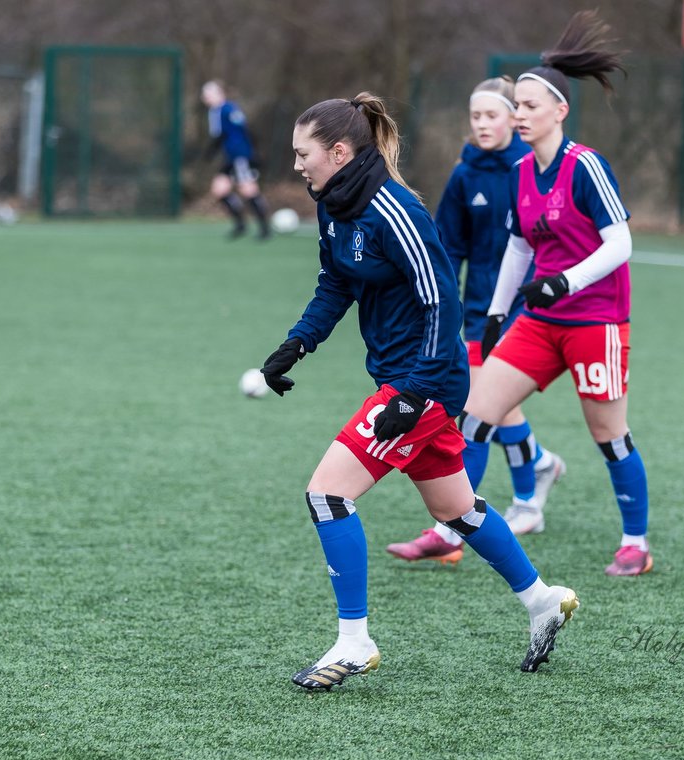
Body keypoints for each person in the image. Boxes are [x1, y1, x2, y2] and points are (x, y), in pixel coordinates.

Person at [261, 91, 579, 691]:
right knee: (455, 510)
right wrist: (296, 344)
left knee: (327, 494)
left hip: (423, 382)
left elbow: (443, 302)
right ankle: (542, 600)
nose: (297, 165)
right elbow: (336, 285)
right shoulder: (334, 204)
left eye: (303, 154)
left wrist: (414, 393)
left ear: (338, 150)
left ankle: (354, 641)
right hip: (402, 378)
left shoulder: (394, 208)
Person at [457, 11, 653, 577]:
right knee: (473, 415)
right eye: (515, 104)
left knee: (608, 435)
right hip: (540, 321)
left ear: (560, 111)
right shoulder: (520, 172)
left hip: (597, 321)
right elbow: (517, 250)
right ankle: (456, 525)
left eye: (529, 106)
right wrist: (496, 314)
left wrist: (565, 281)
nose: (519, 114)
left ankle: (635, 542)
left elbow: (621, 244)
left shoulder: (586, 166)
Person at [385, 75, 567, 566]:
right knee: (490, 407)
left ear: (515, 117)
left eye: (493, 115)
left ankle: (455, 527)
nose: (483, 124)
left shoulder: (532, 169)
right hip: (475, 313)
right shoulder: (465, 175)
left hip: (528, 311)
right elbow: (449, 249)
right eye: (476, 116)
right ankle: (536, 477)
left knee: (477, 412)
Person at [201, 80, 271, 239]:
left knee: (248, 190)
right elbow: (220, 135)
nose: (205, 97)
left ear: (219, 93)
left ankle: (265, 228)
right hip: (229, 158)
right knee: (219, 190)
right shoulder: (214, 111)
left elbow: (244, 128)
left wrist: (254, 153)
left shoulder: (228, 109)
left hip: (240, 156)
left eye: (208, 93)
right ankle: (241, 225)